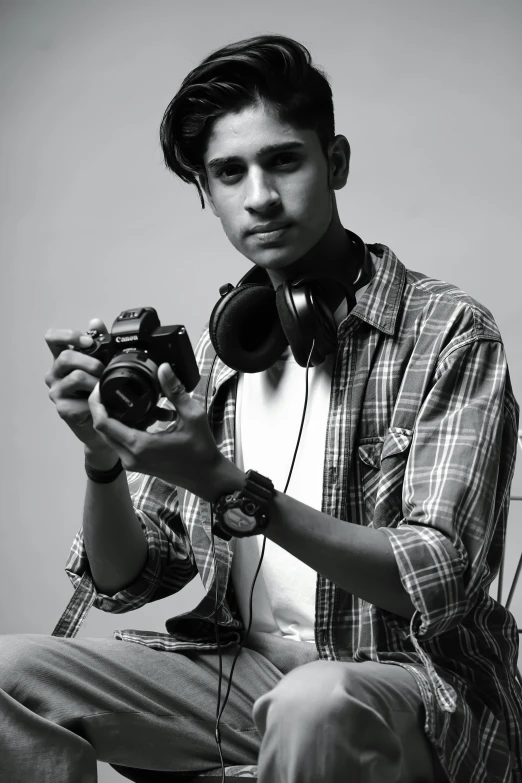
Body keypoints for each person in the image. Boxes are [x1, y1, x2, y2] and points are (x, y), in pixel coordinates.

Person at [0, 33, 521, 783]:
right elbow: (126, 579)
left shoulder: (447, 333)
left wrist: (228, 486)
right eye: (229, 172)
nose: (261, 197)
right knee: (9, 675)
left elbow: (434, 578)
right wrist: (102, 456)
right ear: (206, 193)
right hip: (238, 680)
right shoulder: (222, 353)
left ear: (334, 161)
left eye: (284, 160)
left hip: (408, 684)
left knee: (312, 702)